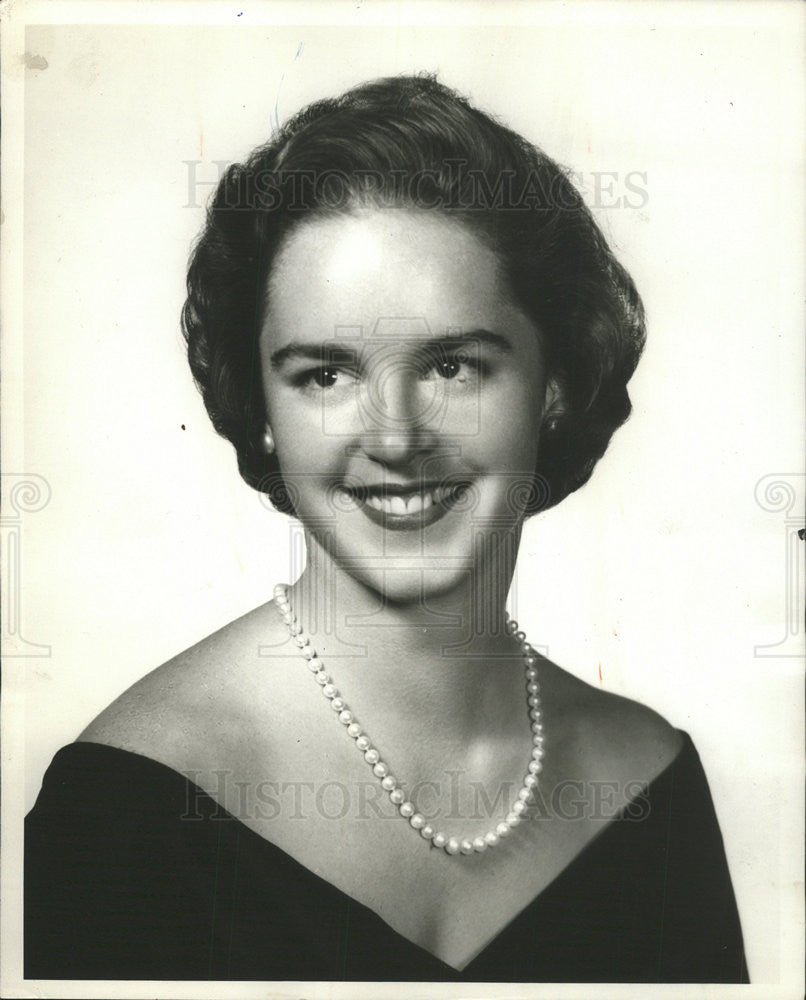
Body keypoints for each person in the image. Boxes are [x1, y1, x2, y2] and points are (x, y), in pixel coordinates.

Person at [24, 74, 748, 983]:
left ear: (553, 384)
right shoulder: (128, 808)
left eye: (453, 364)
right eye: (324, 375)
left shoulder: (649, 779)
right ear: (260, 411)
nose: (396, 437)